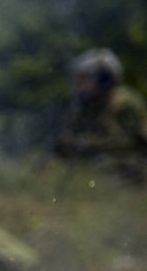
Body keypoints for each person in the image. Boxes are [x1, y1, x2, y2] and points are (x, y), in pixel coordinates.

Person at [54, 48, 147, 179]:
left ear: (105, 79)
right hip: (96, 171)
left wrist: (82, 144)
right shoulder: (88, 106)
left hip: (126, 171)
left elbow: (132, 141)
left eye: (85, 79)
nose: (80, 85)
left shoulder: (124, 102)